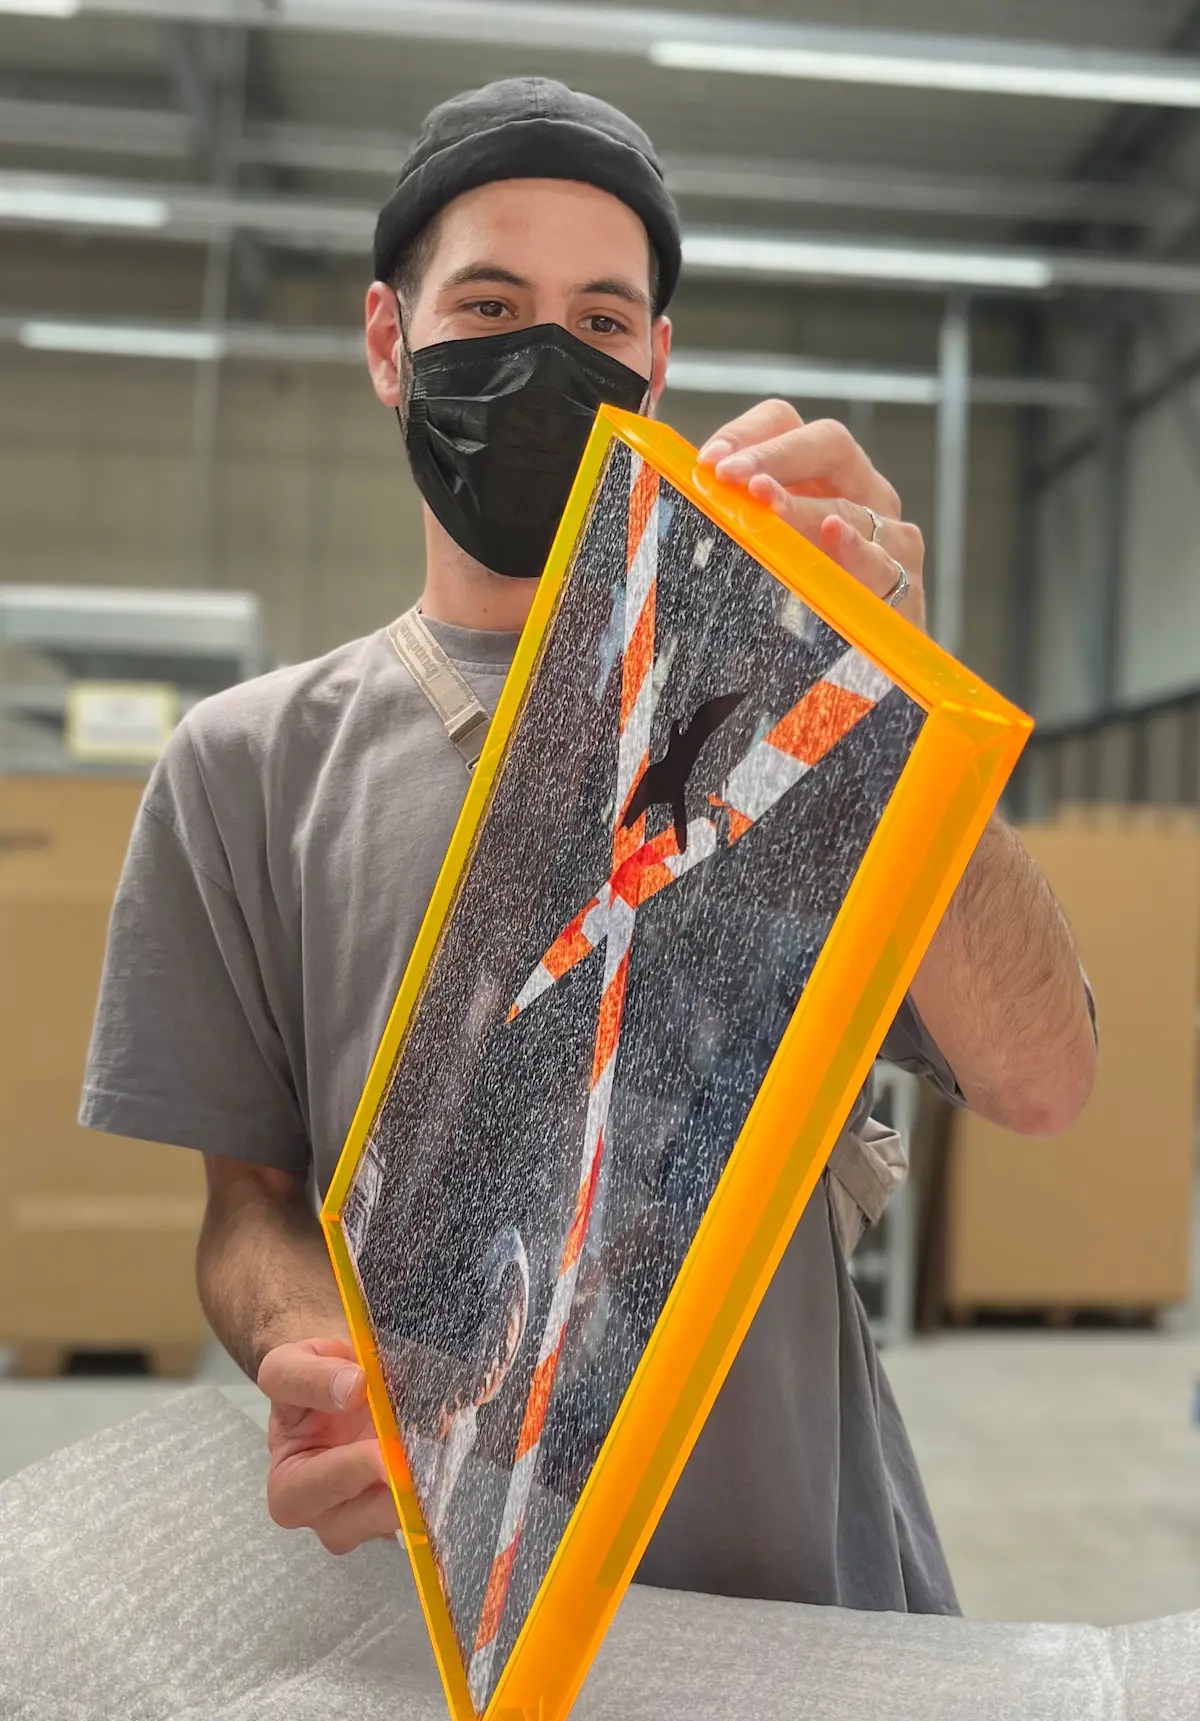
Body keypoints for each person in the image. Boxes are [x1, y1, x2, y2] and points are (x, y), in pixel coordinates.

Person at [81, 78, 1096, 1610]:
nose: (546, 357)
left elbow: (1043, 1080)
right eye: (489, 306)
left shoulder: (774, 719)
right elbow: (249, 1211)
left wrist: (888, 695)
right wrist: (314, 1349)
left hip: (808, 1615)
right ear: (388, 342)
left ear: (654, 368)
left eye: (601, 322)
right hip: (448, 1631)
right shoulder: (245, 770)